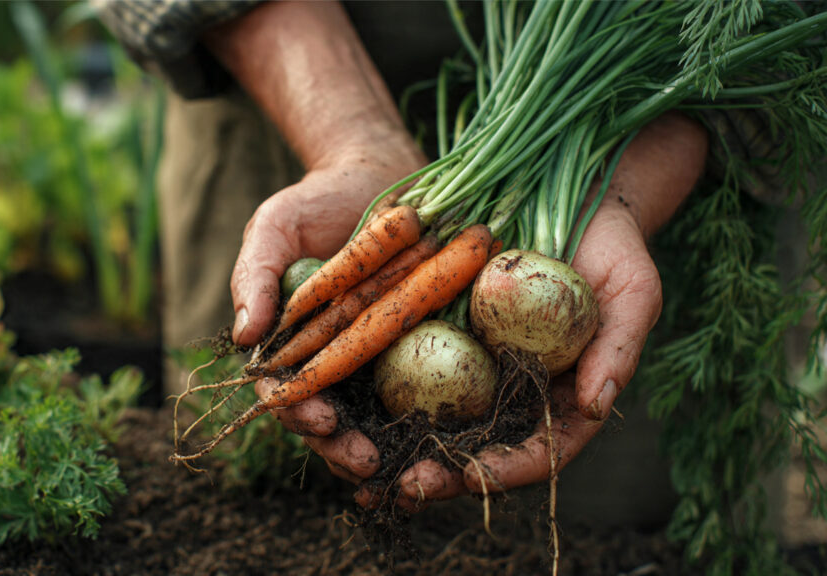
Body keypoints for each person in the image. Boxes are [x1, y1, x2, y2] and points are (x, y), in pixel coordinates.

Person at [94, 0, 709, 522]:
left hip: (643, 129)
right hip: (278, 65)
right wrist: (352, 138)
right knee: (242, 509)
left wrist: (623, 197)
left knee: (618, 525)